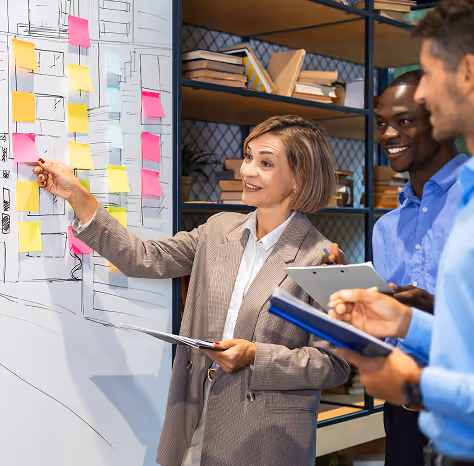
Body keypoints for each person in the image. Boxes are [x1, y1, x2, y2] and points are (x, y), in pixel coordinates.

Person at [31, 115, 350, 466]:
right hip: (195, 415)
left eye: (266, 163)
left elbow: (333, 365)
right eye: (248, 157)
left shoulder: (321, 258)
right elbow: (142, 258)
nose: (247, 171)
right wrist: (77, 194)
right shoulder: (218, 230)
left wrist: (255, 355)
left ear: (298, 180)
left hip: (264, 437)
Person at [327, 1, 474, 463]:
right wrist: (398, 320)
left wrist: (416, 381)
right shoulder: (392, 223)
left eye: (428, 72)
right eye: (382, 123)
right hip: (422, 419)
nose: (425, 91)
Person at [373, 69, 467, 466]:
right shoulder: (385, 228)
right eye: (381, 123)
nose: (388, 135)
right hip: (403, 412)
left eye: (404, 120)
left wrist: (438, 313)